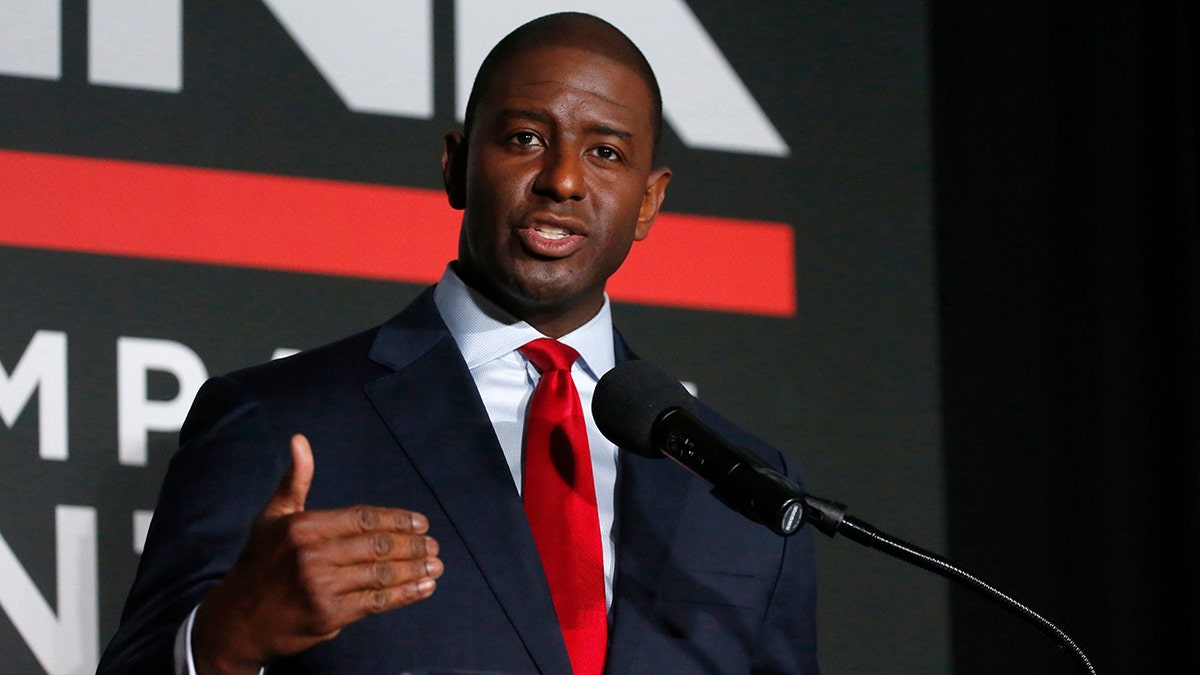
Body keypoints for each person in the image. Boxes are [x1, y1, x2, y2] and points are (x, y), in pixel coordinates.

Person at [98, 12, 818, 675]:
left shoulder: (743, 487)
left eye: (604, 151)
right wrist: (222, 638)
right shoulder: (275, 422)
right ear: (455, 162)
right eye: (525, 138)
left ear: (649, 201)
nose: (563, 179)